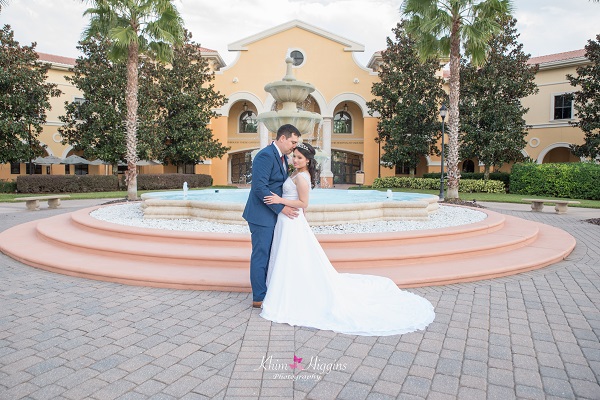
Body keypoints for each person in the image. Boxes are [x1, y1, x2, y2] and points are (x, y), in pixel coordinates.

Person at [260, 142, 435, 336]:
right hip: (290, 220)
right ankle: (287, 289)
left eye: (300, 157)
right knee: (290, 256)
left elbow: (304, 203)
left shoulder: (302, 177)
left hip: (291, 218)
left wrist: (280, 200)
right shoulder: (294, 173)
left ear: (308, 160)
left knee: (292, 255)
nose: (295, 160)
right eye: (294, 156)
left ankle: (290, 293)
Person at [243, 124, 301, 309]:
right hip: (261, 215)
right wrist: (281, 208)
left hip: (270, 213)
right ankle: (259, 297)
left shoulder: (282, 157)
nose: (294, 146)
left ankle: (268, 291)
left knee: (270, 254)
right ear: (282, 138)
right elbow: (259, 188)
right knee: (261, 255)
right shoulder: (266, 155)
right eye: (292, 142)